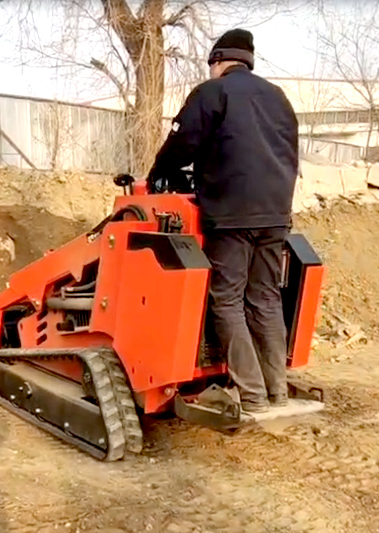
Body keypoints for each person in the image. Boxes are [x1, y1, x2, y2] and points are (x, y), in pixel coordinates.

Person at [146, 28, 299, 413]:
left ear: (218, 62)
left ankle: (252, 396)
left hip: (232, 215)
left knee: (226, 299)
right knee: (264, 298)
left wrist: (156, 176)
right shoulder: (278, 98)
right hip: (277, 214)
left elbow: (181, 145)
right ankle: (277, 390)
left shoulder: (213, 93)